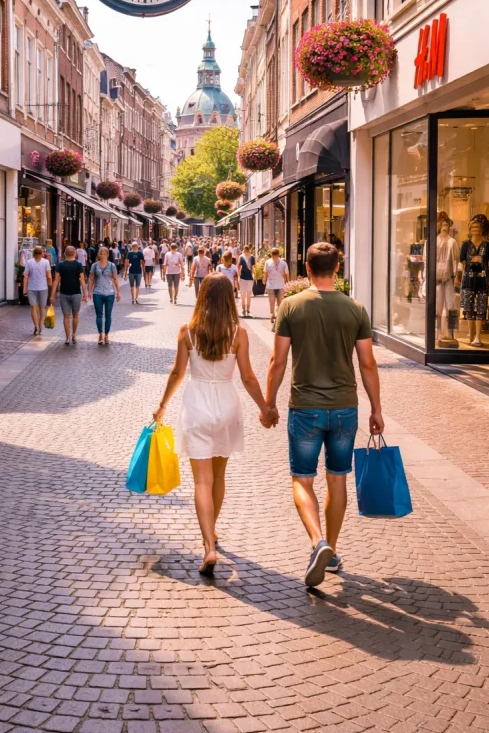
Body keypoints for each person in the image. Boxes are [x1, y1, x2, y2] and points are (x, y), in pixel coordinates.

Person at [263, 242, 384, 588]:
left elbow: (278, 360)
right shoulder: (355, 309)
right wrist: (376, 408)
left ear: (306, 267)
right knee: (337, 478)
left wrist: (269, 403)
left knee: (302, 479)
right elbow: (367, 363)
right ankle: (332, 549)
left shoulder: (291, 306)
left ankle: (319, 542)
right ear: (338, 267)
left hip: (305, 407)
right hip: (345, 407)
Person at [154, 274, 272, 575]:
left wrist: (162, 405)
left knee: (201, 482)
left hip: (197, 404)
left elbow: (177, 373)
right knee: (219, 477)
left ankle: (208, 545)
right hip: (226, 404)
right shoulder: (238, 332)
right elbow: (247, 377)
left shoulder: (188, 330)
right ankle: (213, 531)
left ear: (202, 295)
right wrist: (265, 407)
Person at [50, 245, 87, 345]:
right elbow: (82, 280)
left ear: (64, 254)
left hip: (64, 293)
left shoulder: (60, 265)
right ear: (75, 254)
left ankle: (67, 337)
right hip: (76, 293)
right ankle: (74, 334)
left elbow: (56, 280)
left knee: (66, 316)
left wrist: (52, 295)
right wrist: (85, 293)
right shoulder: (79, 265)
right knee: (76, 315)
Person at [88, 245, 121, 345]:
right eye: (101, 253)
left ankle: (106, 334)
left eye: (104, 253)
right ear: (99, 254)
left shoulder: (112, 266)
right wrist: (89, 292)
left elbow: (115, 279)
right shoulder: (94, 265)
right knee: (99, 315)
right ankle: (100, 334)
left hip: (109, 293)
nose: (102, 255)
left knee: (108, 315)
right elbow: (91, 279)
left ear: (107, 254)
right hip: (97, 293)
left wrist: (118, 292)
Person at [22, 246, 53, 335]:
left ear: (34, 253)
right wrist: (50, 286)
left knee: (34, 307)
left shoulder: (29, 262)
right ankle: (40, 326)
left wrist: (24, 289)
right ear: (42, 253)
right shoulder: (46, 262)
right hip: (43, 287)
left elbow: (26, 276)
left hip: (31, 288)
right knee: (42, 307)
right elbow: (49, 276)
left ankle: (36, 326)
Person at [263, 248, 289, 325]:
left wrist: (288, 282)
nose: (274, 256)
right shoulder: (268, 262)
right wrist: (264, 279)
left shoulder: (283, 263)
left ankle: (277, 315)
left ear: (278, 255)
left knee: (279, 302)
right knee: (273, 301)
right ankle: (272, 315)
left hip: (280, 285)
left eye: (275, 255)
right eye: (273, 255)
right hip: (271, 285)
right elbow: (265, 272)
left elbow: (287, 274)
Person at [238, 245, 256, 318]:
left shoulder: (252, 257)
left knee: (248, 294)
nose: (246, 253)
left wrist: (255, 275)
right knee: (243, 294)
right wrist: (238, 275)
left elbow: (254, 267)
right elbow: (238, 266)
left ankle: (248, 309)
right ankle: (243, 309)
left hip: (250, 277)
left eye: (247, 251)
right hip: (243, 277)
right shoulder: (241, 257)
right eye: (245, 251)